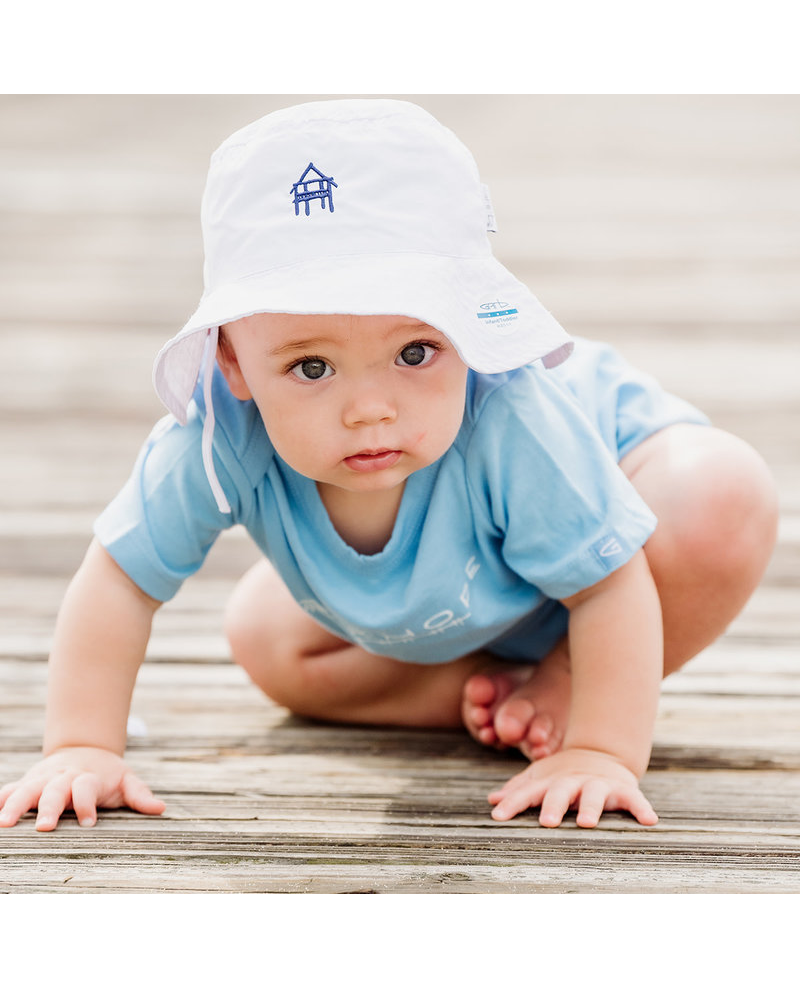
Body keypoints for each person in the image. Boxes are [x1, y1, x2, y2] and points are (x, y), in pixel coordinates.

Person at [0, 99, 778, 832]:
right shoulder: (216, 432)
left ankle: (570, 678)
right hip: (465, 596)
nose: (370, 408)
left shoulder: (514, 418)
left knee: (720, 498)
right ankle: (494, 687)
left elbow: (611, 583)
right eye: (311, 368)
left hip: (616, 546)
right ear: (233, 364)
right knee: (266, 641)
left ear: (469, 334)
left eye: (415, 352)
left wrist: (601, 751)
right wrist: (81, 746)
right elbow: (119, 577)